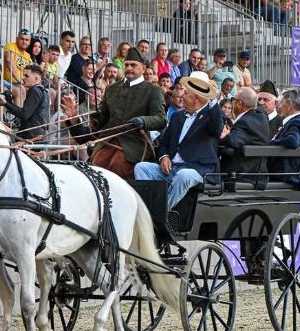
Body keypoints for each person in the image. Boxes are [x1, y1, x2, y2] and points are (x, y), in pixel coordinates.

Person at [134, 71, 224, 210]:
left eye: (186, 93)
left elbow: (217, 129)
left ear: (196, 97)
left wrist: (211, 98)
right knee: (141, 168)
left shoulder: (211, 116)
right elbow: (164, 143)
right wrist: (164, 157)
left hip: (198, 169)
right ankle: (146, 209)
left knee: (183, 175)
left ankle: (161, 213)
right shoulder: (177, 116)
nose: (182, 96)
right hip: (172, 168)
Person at [91, 47, 166, 179]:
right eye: (126, 65)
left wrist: (143, 121)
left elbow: (161, 119)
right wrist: (95, 119)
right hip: (108, 140)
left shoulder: (153, 90)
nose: (129, 68)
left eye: (133, 65)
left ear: (143, 68)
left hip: (134, 142)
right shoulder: (111, 89)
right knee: (97, 165)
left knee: (118, 166)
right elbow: (103, 119)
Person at [219, 87, 271, 188]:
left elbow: (233, 141)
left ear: (239, 103)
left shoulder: (245, 121)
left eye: (233, 100)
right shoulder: (261, 116)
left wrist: (223, 136)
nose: (232, 103)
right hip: (257, 174)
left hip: (243, 176)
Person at [270, 87, 300, 191]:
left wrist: (270, 143)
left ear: (289, 104)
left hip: (286, 175)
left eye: (280, 102)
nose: (278, 106)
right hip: (291, 174)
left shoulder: (295, 122)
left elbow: (292, 141)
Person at [1, 65, 49, 140]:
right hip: (36, 135)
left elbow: (24, 114)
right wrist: (9, 103)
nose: (23, 78)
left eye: (26, 76)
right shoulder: (44, 91)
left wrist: (5, 103)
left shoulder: (35, 91)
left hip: (29, 136)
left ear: (36, 79)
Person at [3, 28, 32, 105]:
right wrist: (19, 79)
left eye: (27, 40)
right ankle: (19, 115)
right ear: (17, 39)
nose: (24, 41)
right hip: (6, 81)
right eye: (22, 39)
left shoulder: (27, 56)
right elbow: (9, 61)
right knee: (21, 89)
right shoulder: (11, 46)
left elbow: (28, 73)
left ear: (29, 42)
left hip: (20, 83)